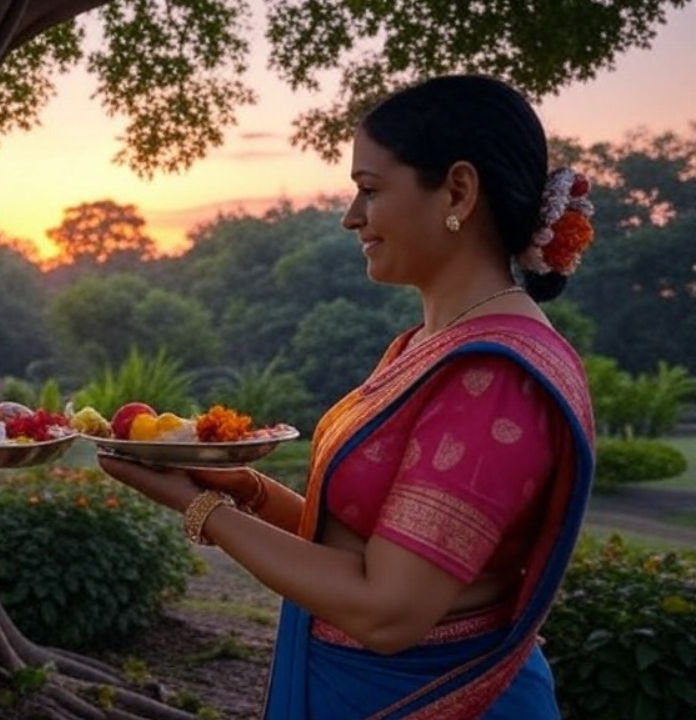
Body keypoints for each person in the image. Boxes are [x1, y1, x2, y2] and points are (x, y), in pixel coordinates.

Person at [99, 75, 596, 718]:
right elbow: (358, 546)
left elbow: (387, 611)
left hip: (427, 697)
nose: (351, 216)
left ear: (458, 190)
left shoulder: (498, 377)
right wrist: (241, 488)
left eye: (369, 190)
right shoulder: (425, 344)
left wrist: (202, 514)